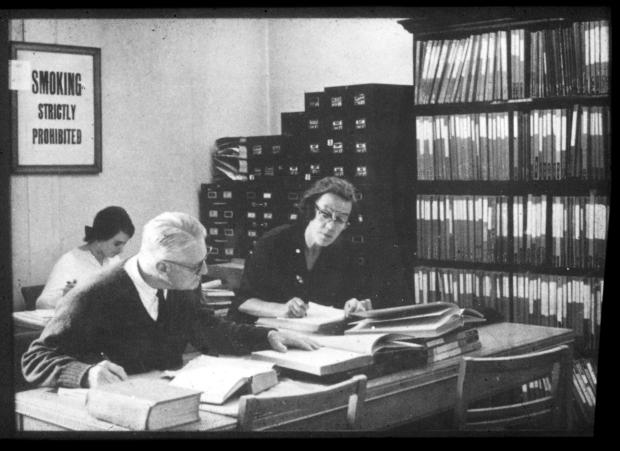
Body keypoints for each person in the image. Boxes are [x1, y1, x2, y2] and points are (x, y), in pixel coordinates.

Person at [22, 211, 318, 388]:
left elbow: (210, 330)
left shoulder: (182, 286)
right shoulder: (93, 295)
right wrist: (85, 374)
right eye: (195, 266)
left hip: (169, 400)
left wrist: (268, 335)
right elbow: (35, 358)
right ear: (162, 268)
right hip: (113, 412)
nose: (204, 272)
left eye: (204, 261)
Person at [228, 176, 372, 323]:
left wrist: (353, 305)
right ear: (310, 210)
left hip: (310, 336)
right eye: (325, 214)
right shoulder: (274, 242)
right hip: (261, 332)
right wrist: (282, 309)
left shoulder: (343, 252)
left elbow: (347, 298)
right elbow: (242, 301)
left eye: (340, 219)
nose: (330, 227)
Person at [36, 206, 135, 310]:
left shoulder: (114, 260)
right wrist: (65, 297)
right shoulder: (70, 261)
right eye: (117, 244)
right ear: (101, 237)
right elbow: (41, 304)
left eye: (124, 244)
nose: (121, 250)